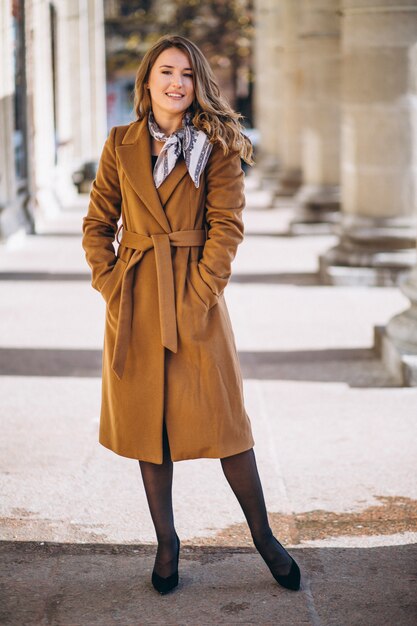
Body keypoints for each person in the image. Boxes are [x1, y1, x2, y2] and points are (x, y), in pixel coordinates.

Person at [82, 34, 301, 595]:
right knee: (148, 429)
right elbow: (97, 224)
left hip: (193, 302)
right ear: (148, 82)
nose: (176, 82)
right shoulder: (119, 143)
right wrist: (110, 284)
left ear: (198, 84)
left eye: (186, 74)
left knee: (226, 424)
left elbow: (227, 229)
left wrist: (200, 293)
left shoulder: (218, 146)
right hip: (133, 300)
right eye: (166, 72)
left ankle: (264, 536)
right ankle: (166, 542)